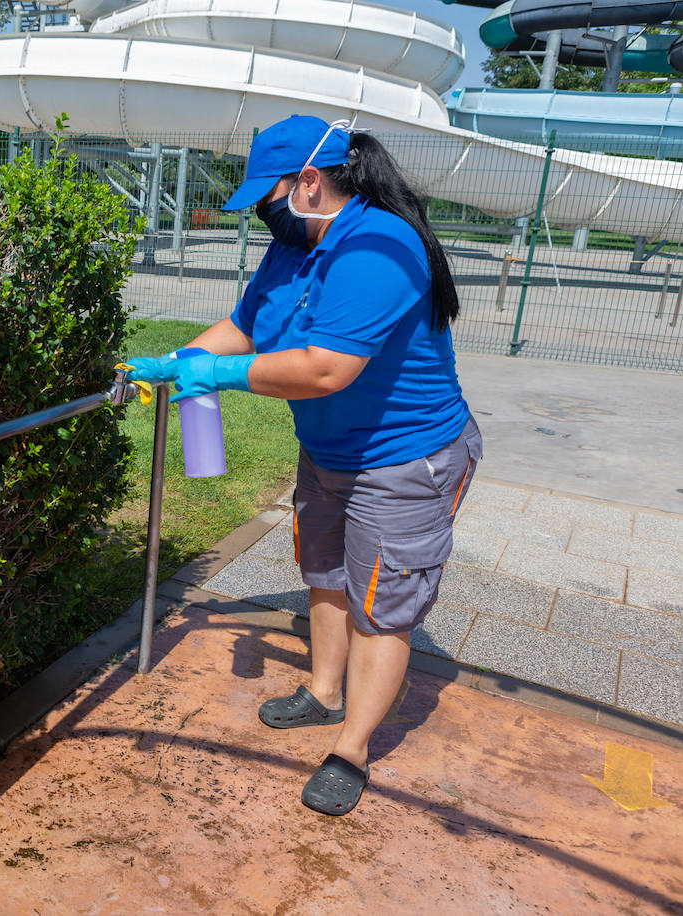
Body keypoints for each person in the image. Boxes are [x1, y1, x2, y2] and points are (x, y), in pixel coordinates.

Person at [125, 114, 481, 816]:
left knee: (381, 605)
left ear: (309, 183)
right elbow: (247, 325)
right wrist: (174, 364)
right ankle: (323, 691)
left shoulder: (379, 247)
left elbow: (324, 369)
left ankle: (352, 747)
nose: (261, 213)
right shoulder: (294, 242)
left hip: (405, 458)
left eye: (267, 196)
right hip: (329, 451)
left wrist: (221, 377)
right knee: (322, 571)